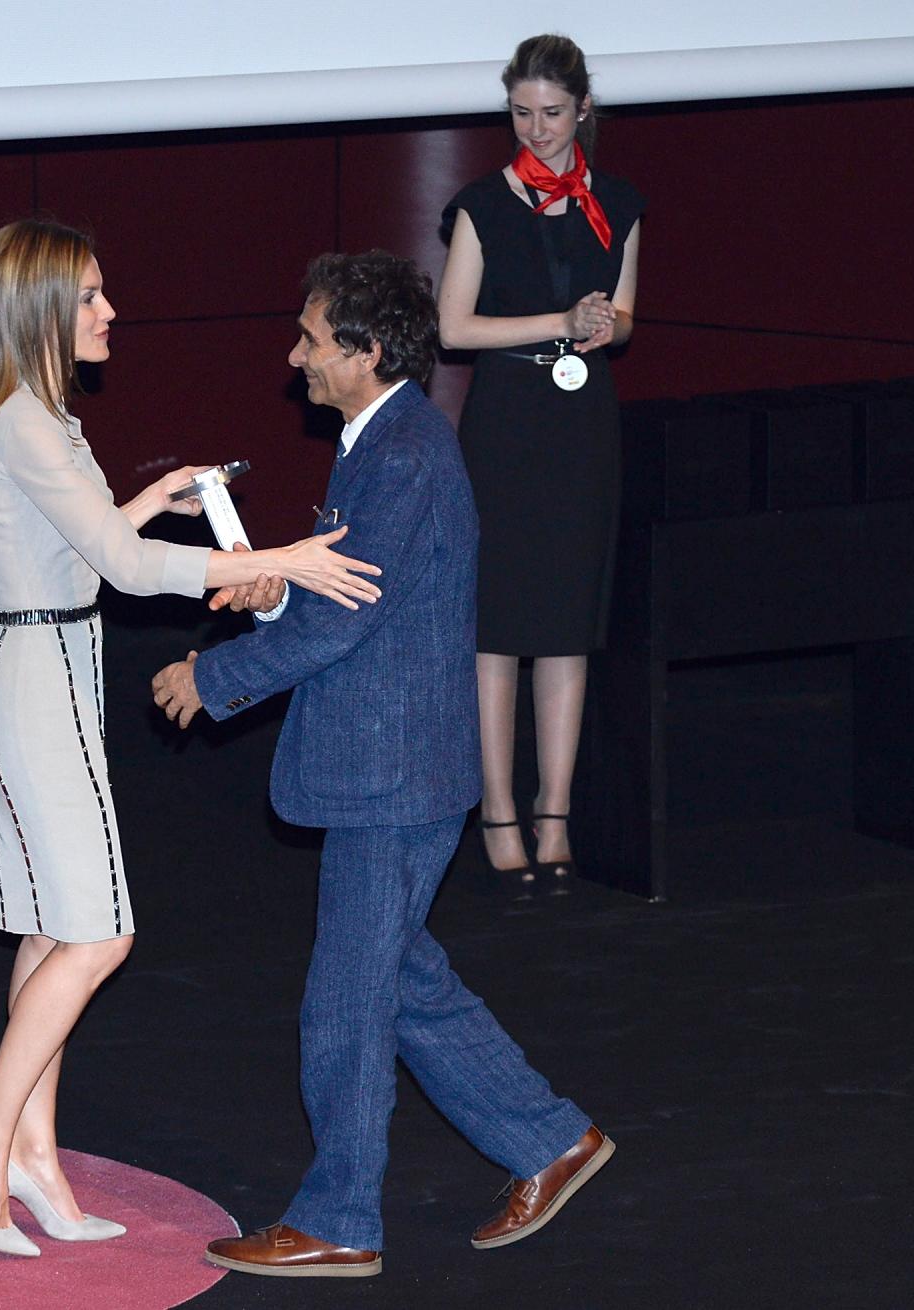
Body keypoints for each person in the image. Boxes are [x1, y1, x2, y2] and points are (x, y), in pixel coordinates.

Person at [0, 219, 383, 1258]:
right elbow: (127, 574)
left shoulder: (31, 414)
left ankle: (33, 1154)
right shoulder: (30, 423)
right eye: (89, 295)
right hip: (38, 678)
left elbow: (85, 557)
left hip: (37, 661)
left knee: (50, 929)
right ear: (41, 306)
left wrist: (152, 500)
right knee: (100, 931)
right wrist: (280, 558)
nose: (108, 311)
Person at [152, 251, 612, 1279]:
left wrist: (213, 676)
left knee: (347, 1001)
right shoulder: (382, 440)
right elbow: (339, 598)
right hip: (394, 765)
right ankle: (548, 1138)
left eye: (311, 339)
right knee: (400, 977)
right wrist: (270, 594)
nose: (294, 355)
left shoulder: (399, 455)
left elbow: (339, 632)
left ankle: (340, 1216)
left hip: (391, 772)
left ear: (361, 351)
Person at [438, 34, 644, 891]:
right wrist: (559, 321)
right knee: (498, 628)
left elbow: (627, 315)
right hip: (508, 420)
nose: (537, 129)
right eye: (521, 113)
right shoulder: (483, 204)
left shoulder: (619, 202)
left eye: (552, 113)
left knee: (566, 620)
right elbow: (453, 329)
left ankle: (554, 810)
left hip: (582, 421)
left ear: (584, 109)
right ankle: (498, 811)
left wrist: (603, 327)